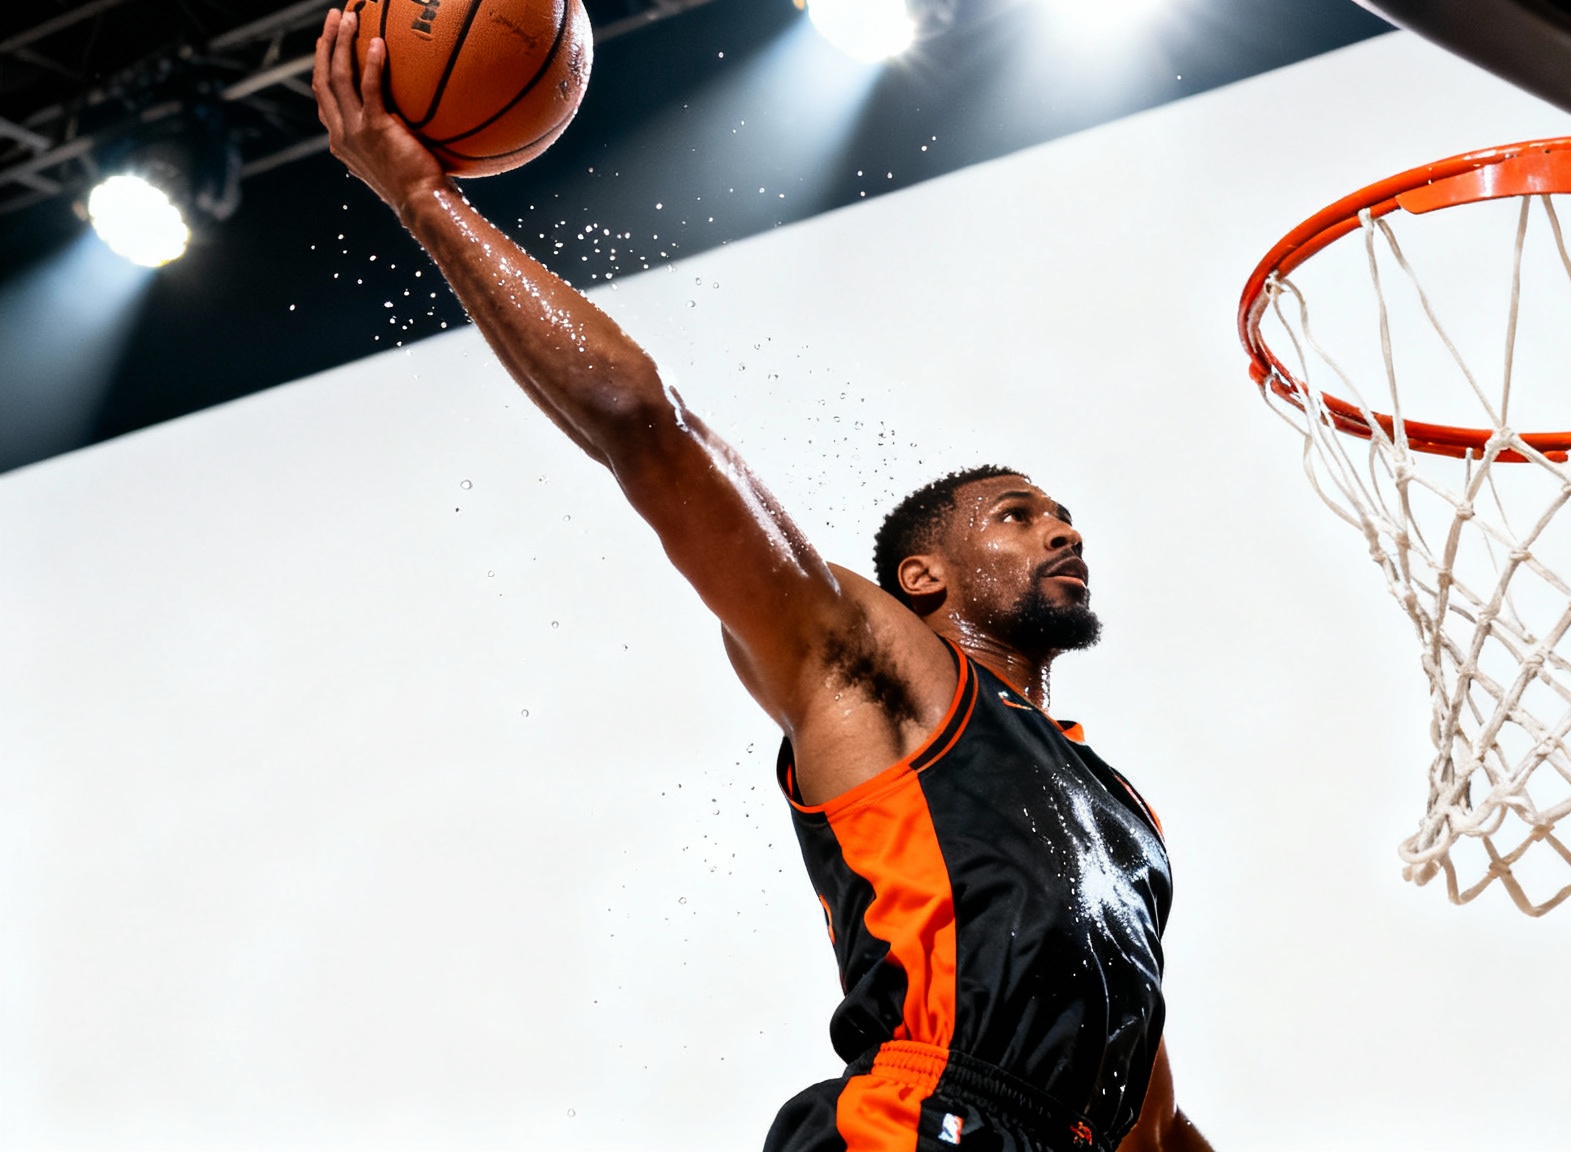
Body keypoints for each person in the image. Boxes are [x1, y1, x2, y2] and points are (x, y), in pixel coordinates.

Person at [311, 10, 1211, 1151]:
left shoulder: (1119, 811)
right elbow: (646, 424)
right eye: (1017, 515)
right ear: (919, 577)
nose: (1060, 531)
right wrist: (423, 199)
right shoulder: (868, 665)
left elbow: (1142, 1104)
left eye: (1064, 516)